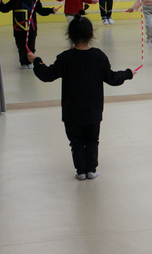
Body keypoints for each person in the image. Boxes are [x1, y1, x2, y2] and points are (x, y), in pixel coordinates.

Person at [27, 11, 136, 180]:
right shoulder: (99, 56)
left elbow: (46, 75)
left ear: (69, 36)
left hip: (72, 112)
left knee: (76, 141)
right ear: (92, 34)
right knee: (92, 139)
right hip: (93, 110)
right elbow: (113, 78)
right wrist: (128, 73)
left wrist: (37, 61)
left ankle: (80, 171)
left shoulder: (65, 58)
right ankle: (91, 169)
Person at [0, 0, 58, 68]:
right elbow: (5, 9)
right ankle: (23, 62)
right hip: (19, 28)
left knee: (31, 46)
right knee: (21, 46)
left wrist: (51, 10)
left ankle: (30, 62)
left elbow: (40, 10)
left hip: (31, 28)